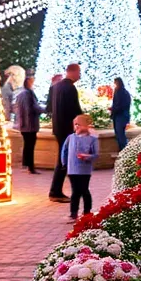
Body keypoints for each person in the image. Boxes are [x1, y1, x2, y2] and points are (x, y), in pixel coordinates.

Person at [48, 64, 83, 203]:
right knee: (63, 160)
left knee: (64, 159)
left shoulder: (56, 87)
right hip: (66, 129)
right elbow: (74, 110)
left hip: (58, 128)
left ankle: (58, 190)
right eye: (79, 73)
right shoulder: (70, 88)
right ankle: (55, 192)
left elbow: (49, 107)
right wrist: (83, 123)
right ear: (72, 72)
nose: (80, 76)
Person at [60, 114, 98, 220]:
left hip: (85, 170)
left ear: (86, 126)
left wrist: (87, 157)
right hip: (72, 169)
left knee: (84, 190)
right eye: (75, 124)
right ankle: (73, 213)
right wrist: (64, 163)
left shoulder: (92, 139)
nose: (77, 127)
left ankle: (87, 212)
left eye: (79, 125)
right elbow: (64, 151)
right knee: (75, 191)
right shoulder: (70, 138)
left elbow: (96, 155)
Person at [14, 76, 42, 174]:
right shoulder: (29, 94)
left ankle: (26, 165)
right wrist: (46, 109)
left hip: (24, 125)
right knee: (30, 145)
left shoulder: (21, 94)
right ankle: (30, 167)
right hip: (30, 125)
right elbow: (33, 108)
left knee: (27, 145)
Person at [109, 77, 132, 154]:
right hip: (119, 115)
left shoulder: (122, 93)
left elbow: (121, 105)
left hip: (121, 116)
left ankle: (124, 151)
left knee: (120, 134)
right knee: (119, 134)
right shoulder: (121, 92)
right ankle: (122, 150)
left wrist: (113, 109)